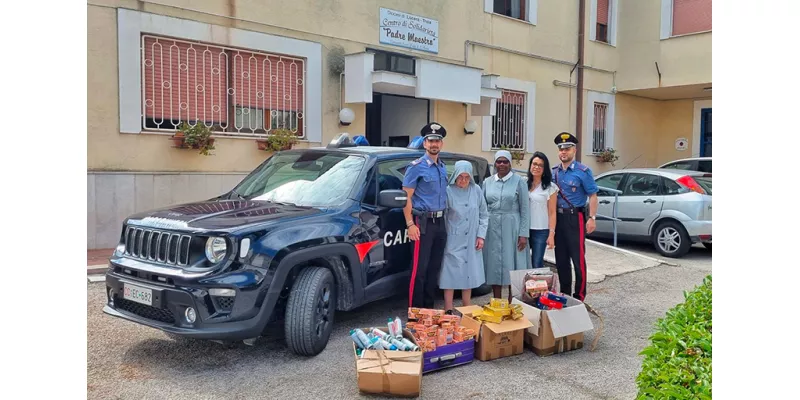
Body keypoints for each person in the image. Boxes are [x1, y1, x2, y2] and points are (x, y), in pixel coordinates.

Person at [402, 122, 449, 309]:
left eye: (437, 141)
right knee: (418, 271)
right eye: (430, 140)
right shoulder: (416, 167)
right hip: (422, 222)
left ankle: (429, 312)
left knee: (434, 268)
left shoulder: (442, 167)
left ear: (441, 144)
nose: (434, 144)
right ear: (424, 143)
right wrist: (409, 224)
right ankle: (415, 313)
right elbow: (406, 197)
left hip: (440, 222)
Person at [551, 132, 599, 301]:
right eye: (561, 149)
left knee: (577, 259)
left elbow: (593, 195)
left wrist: (592, 218)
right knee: (561, 259)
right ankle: (565, 294)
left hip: (575, 218)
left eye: (567, 148)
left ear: (574, 150)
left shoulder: (583, 171)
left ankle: (579, 297)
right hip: (558, 219)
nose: (564, 152)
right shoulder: (554, 172)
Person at [439, 161, 489, 312]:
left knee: (469, 272)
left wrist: (481, 236)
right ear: (455, 176)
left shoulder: (476, 190)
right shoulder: (448, 190)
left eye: (467, 177)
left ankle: (467, 307)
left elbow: (484, 214)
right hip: (453, 238)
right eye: (460, 177)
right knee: (450, 272)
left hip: (472, 237)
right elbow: (444, 215)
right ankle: (448, 308)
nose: (463, 180)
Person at [482, 150, 531, 302]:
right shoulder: (487, 182)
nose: (502, 164)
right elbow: (482, 207)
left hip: (512, 227)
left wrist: (523, 234)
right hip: (492, 226)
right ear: (495, 163)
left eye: (505, 161)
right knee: (494, 263)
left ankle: (512, 302)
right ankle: (496, 302)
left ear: (510, 163)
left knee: (512, 264)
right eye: (499, 161)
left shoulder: (519, 182)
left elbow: (525, 209)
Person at [527, 151, 559, 268]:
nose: (536, 167)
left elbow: (552, 213)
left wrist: (551, 234)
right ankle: (524, 286)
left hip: (541, 230)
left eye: (540, 165)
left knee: (537, 262)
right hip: (524, 230)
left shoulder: (550, 188)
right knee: (523, 262)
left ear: (544, 169)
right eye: (534, 164)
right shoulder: (523, 184)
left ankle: (538, 286)